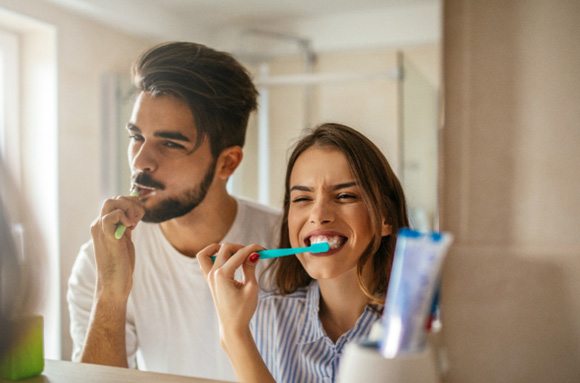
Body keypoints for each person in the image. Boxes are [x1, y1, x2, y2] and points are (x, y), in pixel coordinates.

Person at [67, 42, 280, 381]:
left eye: (169, 143)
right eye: (137, 136)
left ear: (227, 162)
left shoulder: (285, 246)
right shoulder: (102, 259)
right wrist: (111, 292)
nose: (140, 161)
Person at [199, 123, 410, 382]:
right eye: (301, 199)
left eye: (344, 196)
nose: (319, 215)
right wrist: (234, 331)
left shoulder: (415, 328)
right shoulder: (264, 318)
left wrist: (233, 336)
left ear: (384, 218)